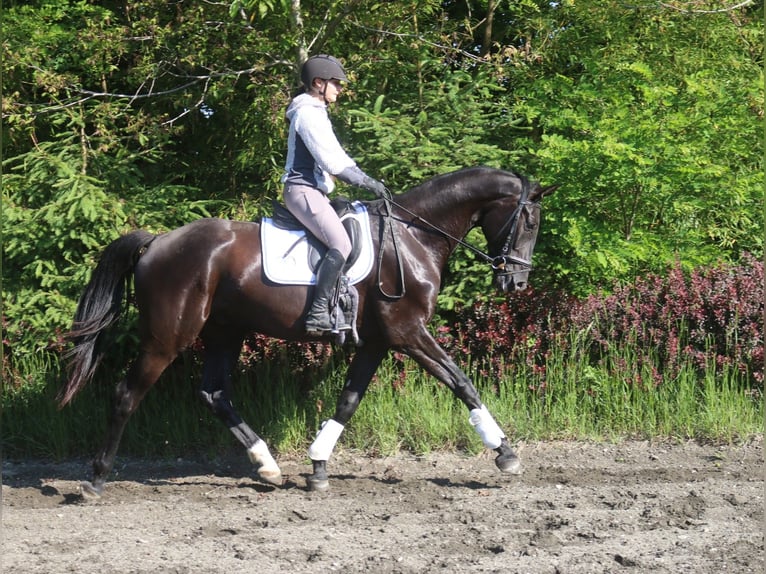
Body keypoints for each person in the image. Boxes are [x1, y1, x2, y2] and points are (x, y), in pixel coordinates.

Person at [282, 54, 387, 335]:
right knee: (341, 243)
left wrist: (367, 179)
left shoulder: (316, 111)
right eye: (336, 84)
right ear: (318, 83)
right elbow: (333, 163)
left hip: (313, 192)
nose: (340, 89)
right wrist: (367, 182)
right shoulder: (307, 113)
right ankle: (318, 313)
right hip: (302, 190)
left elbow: (338, 155)